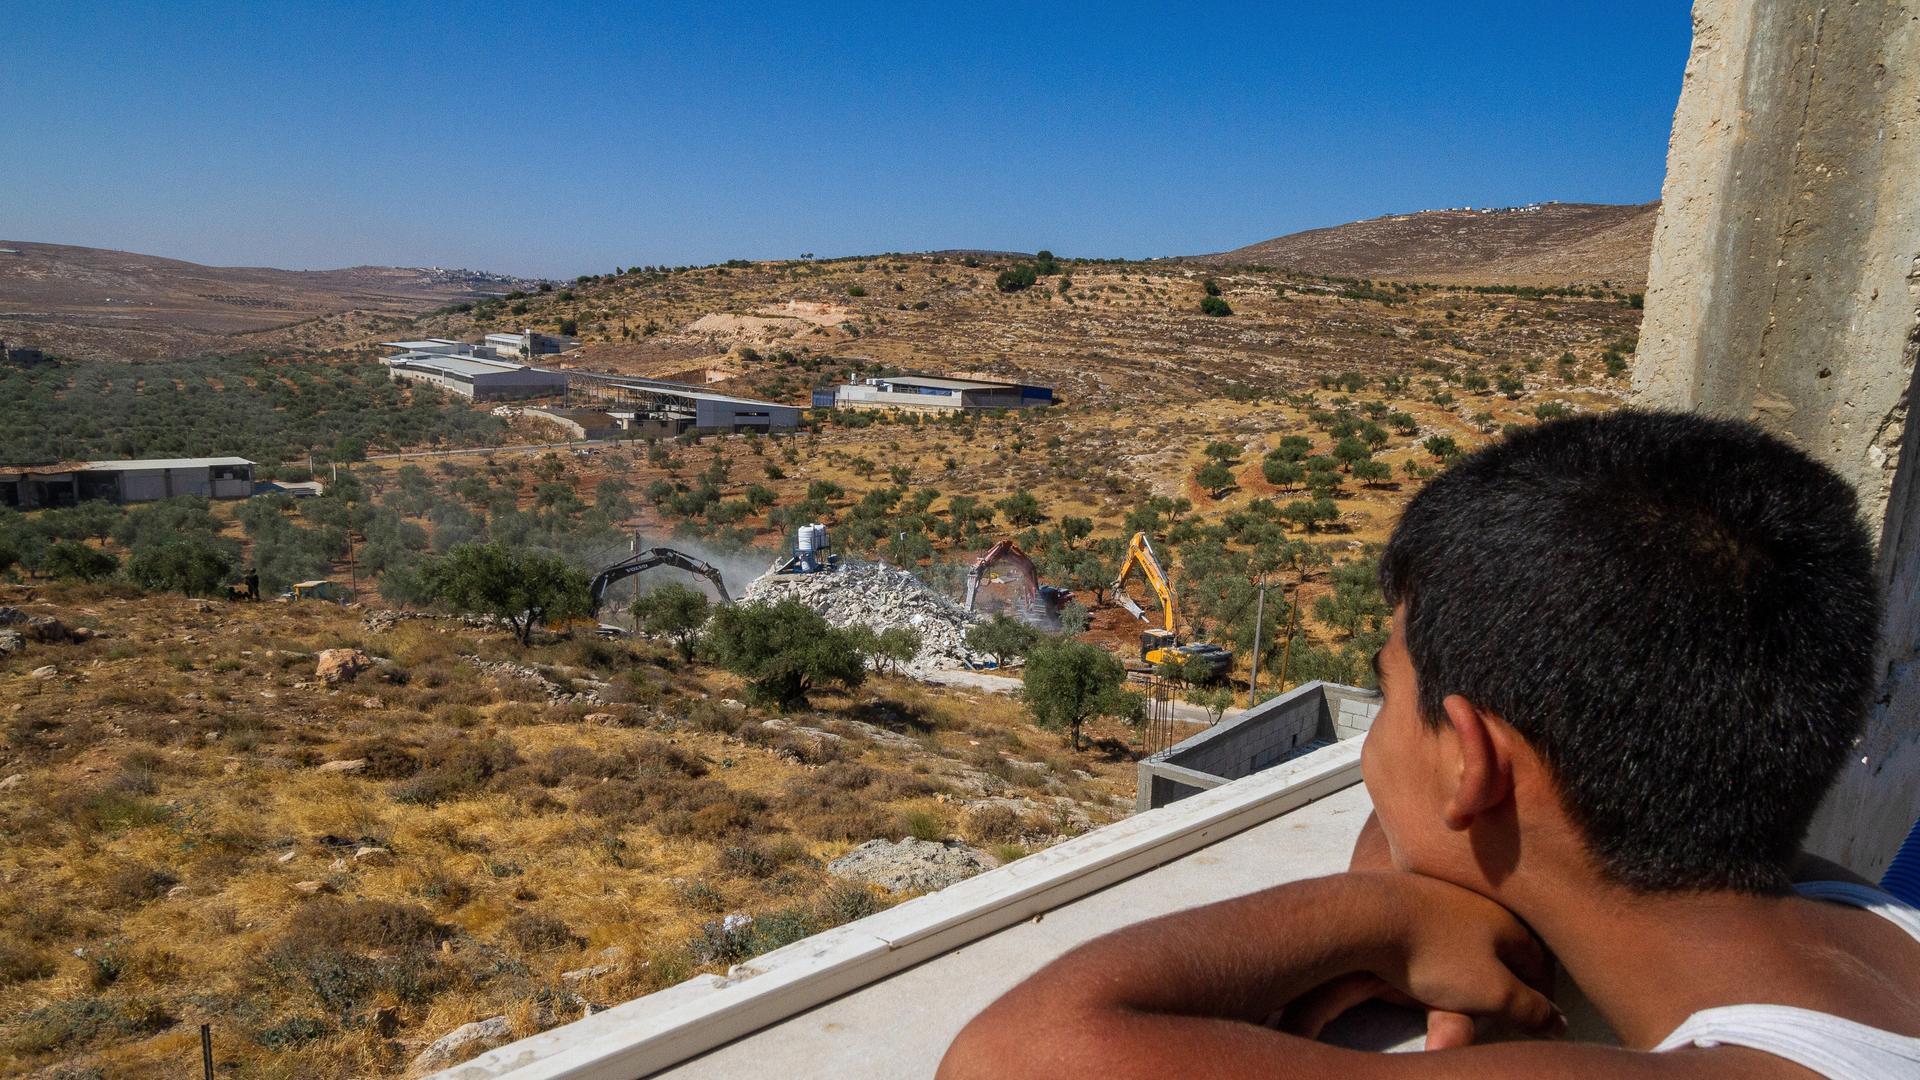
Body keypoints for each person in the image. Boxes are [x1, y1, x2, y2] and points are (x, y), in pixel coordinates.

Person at [940, 411, 1919, 1079]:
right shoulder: (1845, 917)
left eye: (1388, 690)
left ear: (1473, 765)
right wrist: (1443, 881)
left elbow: (1015, 1056)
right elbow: (1455, 823)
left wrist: (1378, 915)